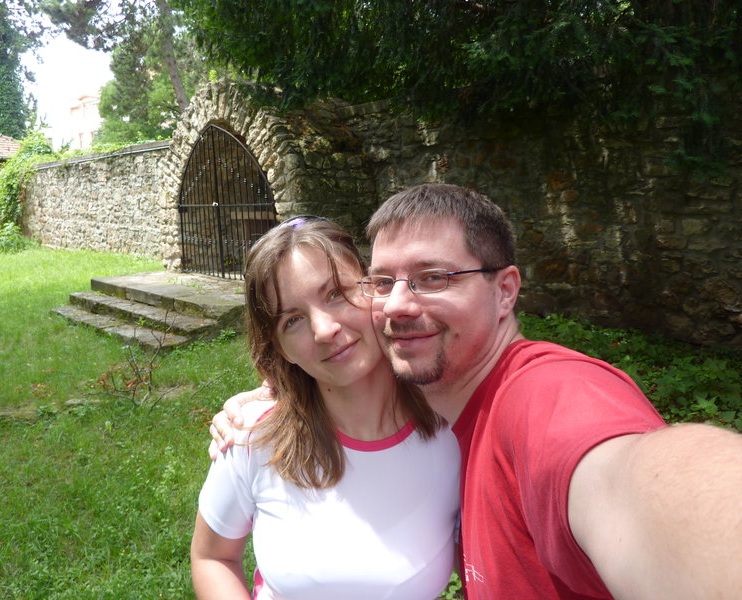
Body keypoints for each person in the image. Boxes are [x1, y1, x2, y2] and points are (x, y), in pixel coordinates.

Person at [210, 183, 742, 599]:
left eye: (434, 277)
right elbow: (213, 555)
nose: (398, 304)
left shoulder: (541, 396)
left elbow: (626, 477)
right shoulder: (444, 410)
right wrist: (273, 397)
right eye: (384, 282)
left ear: (505, 290)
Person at [190, 215, 460, 600]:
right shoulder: (250, 436)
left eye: (335, 293)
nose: (324, 330)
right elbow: (212, 557)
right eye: (292, 320)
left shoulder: (456, 430)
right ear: (280, 347)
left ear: (375, 288)